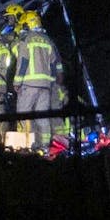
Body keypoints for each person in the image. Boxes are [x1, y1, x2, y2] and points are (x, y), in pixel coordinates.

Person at [12, 10, 64, 153]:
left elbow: (23, 61)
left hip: (29, 85)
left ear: (28, 25)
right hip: (46, 86)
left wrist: (17, 82)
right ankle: (45, 148)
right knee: (43, 118)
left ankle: (24, 148)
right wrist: (52, 81)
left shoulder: (26, 39)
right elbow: (54, 63)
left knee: (23, 116)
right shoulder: (48, 40)